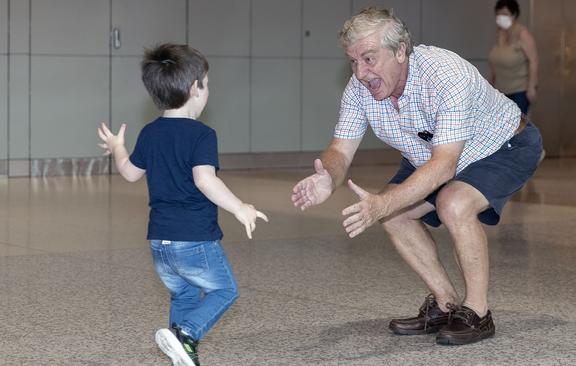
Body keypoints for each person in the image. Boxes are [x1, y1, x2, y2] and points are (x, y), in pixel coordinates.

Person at [291, 8, 542, 345]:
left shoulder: (444, 74)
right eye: (353, 61)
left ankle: (478, 312)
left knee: (453, 203)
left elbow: (445, 167)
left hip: (503, 144)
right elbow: (340, 150)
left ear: (400, 51)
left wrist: (380, 204)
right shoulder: (359, 88)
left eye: (368, 59)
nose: (360, 72)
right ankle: (446, 305)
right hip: (431, 151)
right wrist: (328, 177)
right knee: (394, 216)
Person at [97, 44, 268, 366]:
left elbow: (129, 173)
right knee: (224, 291)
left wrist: (118, 147)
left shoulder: (150, 133)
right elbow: (205, 180)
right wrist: (239, 206)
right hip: (194, 239)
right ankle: (185, 334)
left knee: (184, 294)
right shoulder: (202, 135)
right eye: (208, 83)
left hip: (160, 242)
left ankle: (182, 353)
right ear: (195, 88)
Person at [488, 0, 538, 115]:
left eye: (504, 14)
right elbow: (496, 62)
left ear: (514, 15)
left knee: (517, 126)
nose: (501, 17)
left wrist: (532, 87)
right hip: (501, 89)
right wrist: (490, 85)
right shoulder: (498, 34)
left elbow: (534, 61)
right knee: (503, 126)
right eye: (498, 14)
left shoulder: (523, 34)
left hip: (520, 89)